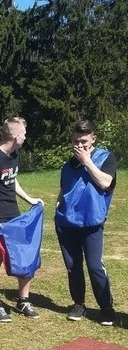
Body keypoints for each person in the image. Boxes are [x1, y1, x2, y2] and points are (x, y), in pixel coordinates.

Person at [0, 117, 44, 323]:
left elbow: (12, 180)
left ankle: (23, 300)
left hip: (14, 217)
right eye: (24, 134)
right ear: (16, 136)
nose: (26, 137)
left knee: (24, 257)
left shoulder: (14, 155)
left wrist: (29, 199)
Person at [55, 120, 117, 325]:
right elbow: (64, 190)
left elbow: (106, 183)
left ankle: (106, 307)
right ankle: (78, 303)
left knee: (94, 266)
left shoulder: (105, 158)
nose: (79, 146)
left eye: (83, 142)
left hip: (92, 221)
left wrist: (87, 161)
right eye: (75, 142)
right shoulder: (67, 166)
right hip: (67, 223)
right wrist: (58, 204)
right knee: (73, 267)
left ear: (93, 139)